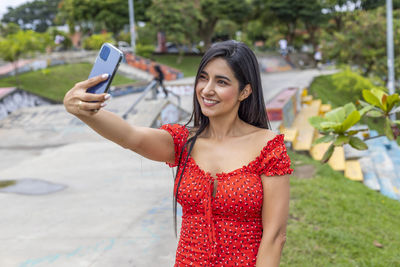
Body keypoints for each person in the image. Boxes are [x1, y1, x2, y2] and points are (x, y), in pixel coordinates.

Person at [63, 40, 292, 266]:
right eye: (203, 78)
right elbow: (130, 137)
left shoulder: (269, 148)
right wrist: (82, 110)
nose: (207, 89)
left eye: (221, 82)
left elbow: (274, 236)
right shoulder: (183, 142)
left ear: (245, 91)